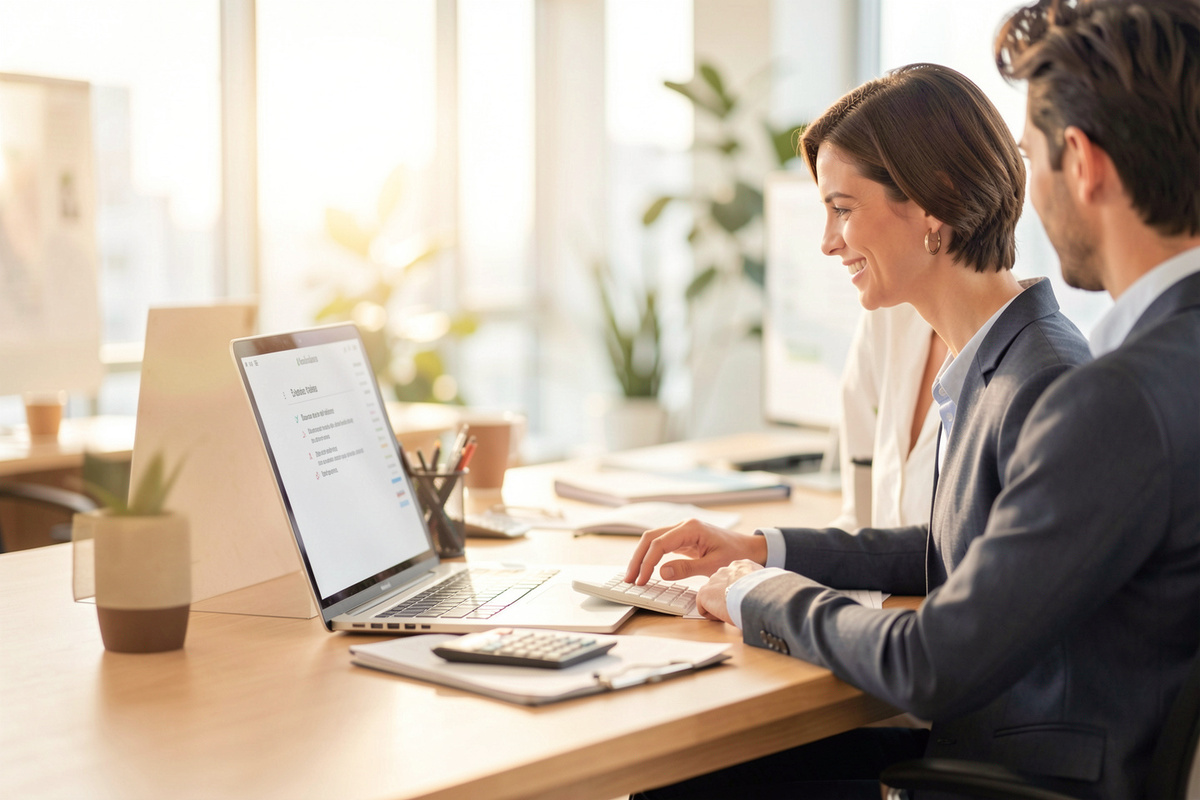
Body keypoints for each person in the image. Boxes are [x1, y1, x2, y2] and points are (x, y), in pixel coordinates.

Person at [629, 1, 1200, 797]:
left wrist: (762, 595)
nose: (1027, 190)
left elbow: (932, 663)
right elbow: (957, 549)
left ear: (1083, 160)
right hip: (1033, 755)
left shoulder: (1102, 392)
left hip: (1015, 776)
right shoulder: (1159, 362)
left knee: (683, 774)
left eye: (1033, 157)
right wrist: (766, 549)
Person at [832, 303, 942, 531]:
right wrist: (767, 553)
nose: (840, 264)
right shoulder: (883, 314)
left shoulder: (1018, 353)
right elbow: (860, 521)